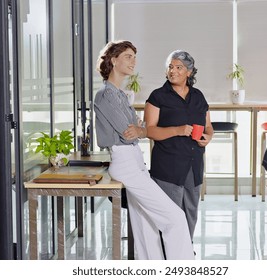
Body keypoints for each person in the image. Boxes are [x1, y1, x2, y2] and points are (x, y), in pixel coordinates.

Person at [94, 40, 194, 260]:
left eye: (134, 57)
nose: (134, 61)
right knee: (175, 217)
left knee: (146, 226)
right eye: (128, 57)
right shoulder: (106, 95)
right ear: (113, 60)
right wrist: (139, 128)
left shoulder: (119, 94)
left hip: (134, 161)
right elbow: (126, 131)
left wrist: (139, 128)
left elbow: (138, 129)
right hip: (125, 162)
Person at [144, 50, 213, 241]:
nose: (172, 71)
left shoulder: (198, 96)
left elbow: (208, 126)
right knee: (169, 214)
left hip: (194, 164)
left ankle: (184, 250)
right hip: (168, 166)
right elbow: (149, 130)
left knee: (190, 210)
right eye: (170, 67)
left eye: (178, 67)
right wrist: (177, 130)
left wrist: (208, 137)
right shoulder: (158, 97)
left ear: (189, 72)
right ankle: (168, 253)